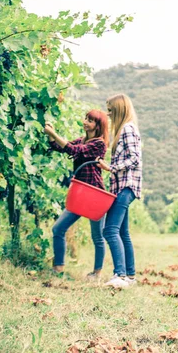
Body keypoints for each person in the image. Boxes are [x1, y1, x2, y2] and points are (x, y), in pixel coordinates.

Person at [44, 110, 109, 280]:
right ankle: (58, 268)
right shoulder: (82, 140)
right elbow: (61, 147)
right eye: (86, 118)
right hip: (80, 193)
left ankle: (97, 272)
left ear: (98, 125)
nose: (85, 122)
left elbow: (76, 151)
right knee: (58, 228)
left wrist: (54, 133)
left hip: (94, 192)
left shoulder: (99, 144)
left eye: (90, 120)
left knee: (97, 236)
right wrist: (51, 136)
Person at [97, 94, 142, 289]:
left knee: (109, 230)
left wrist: (111, 168)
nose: (108, 113)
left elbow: (134, 159)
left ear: (119, 109)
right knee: (123, 232)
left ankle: (120, 274)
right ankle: (129, 276)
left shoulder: (127, 129)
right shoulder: (124, 130)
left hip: (126, 185)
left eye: (110, 109)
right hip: (122, 187)